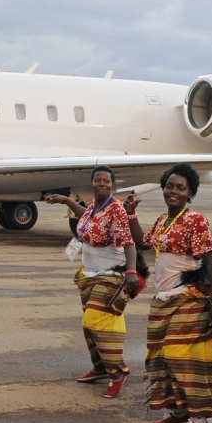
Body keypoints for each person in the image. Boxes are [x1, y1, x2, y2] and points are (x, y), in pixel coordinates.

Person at [125, 164, 212, 423]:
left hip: (189, 297)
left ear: (190, 192)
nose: (173, 191)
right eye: (170, 186)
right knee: (159, 358)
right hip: (164, 300)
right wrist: (131, 213)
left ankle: (199, 419)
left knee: (182, 357)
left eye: (180, 187)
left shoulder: (196, 220)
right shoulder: (162, 221)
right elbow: (142, 242)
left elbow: (211, 262)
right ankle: (179, 411)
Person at [46, 167, 140, 399]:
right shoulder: (92, 207)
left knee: (98, 321)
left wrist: (131, 271)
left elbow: (129, 242)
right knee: (88, 324)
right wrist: (67, 200)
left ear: (112, 185)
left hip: (111, 274)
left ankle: (117, 372)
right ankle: (100, 367)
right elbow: (84, 216)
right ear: (92, 184)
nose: (102, 183)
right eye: (98, 180)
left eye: (106, 181)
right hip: (90, 275)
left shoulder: (116, 209)